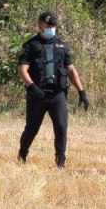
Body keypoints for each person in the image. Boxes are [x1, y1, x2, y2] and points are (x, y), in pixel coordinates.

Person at [17, 12, 89, 168]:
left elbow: (71, 70)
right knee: (31, 129)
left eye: (53, 26)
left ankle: (60, 161)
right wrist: (32, 86)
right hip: (38, 94)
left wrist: (81, 92)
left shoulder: (61, 46)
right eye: (48, 26)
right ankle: (22, 153)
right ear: (40, 26)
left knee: (61, 127)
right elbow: (22, 70)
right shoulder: (30, 46)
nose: (51, 29)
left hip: (57, 94)